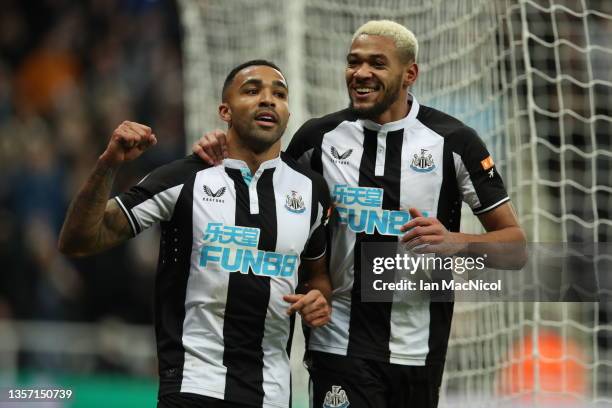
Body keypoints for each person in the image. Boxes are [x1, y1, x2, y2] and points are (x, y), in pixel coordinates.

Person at [192, 21, 527, 408]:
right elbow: (262, 180)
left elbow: (516, 249)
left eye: (377, 64)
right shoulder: (317, 139)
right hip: (337, 344)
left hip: (418, 351)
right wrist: (222, 144)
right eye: (354, 62)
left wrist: (456, 241)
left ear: (410, 74)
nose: (361, 74)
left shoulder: (454, 142)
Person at [59, 60, 334, 408]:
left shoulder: (311, 191)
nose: (268, 100)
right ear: (225, 110)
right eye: (252, 90)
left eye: (279, 94)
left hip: (274, 396)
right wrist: (109, 163)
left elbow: (317, 276)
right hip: (193, 388)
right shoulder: (184, 178)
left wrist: (318, 298)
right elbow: (78, 240)